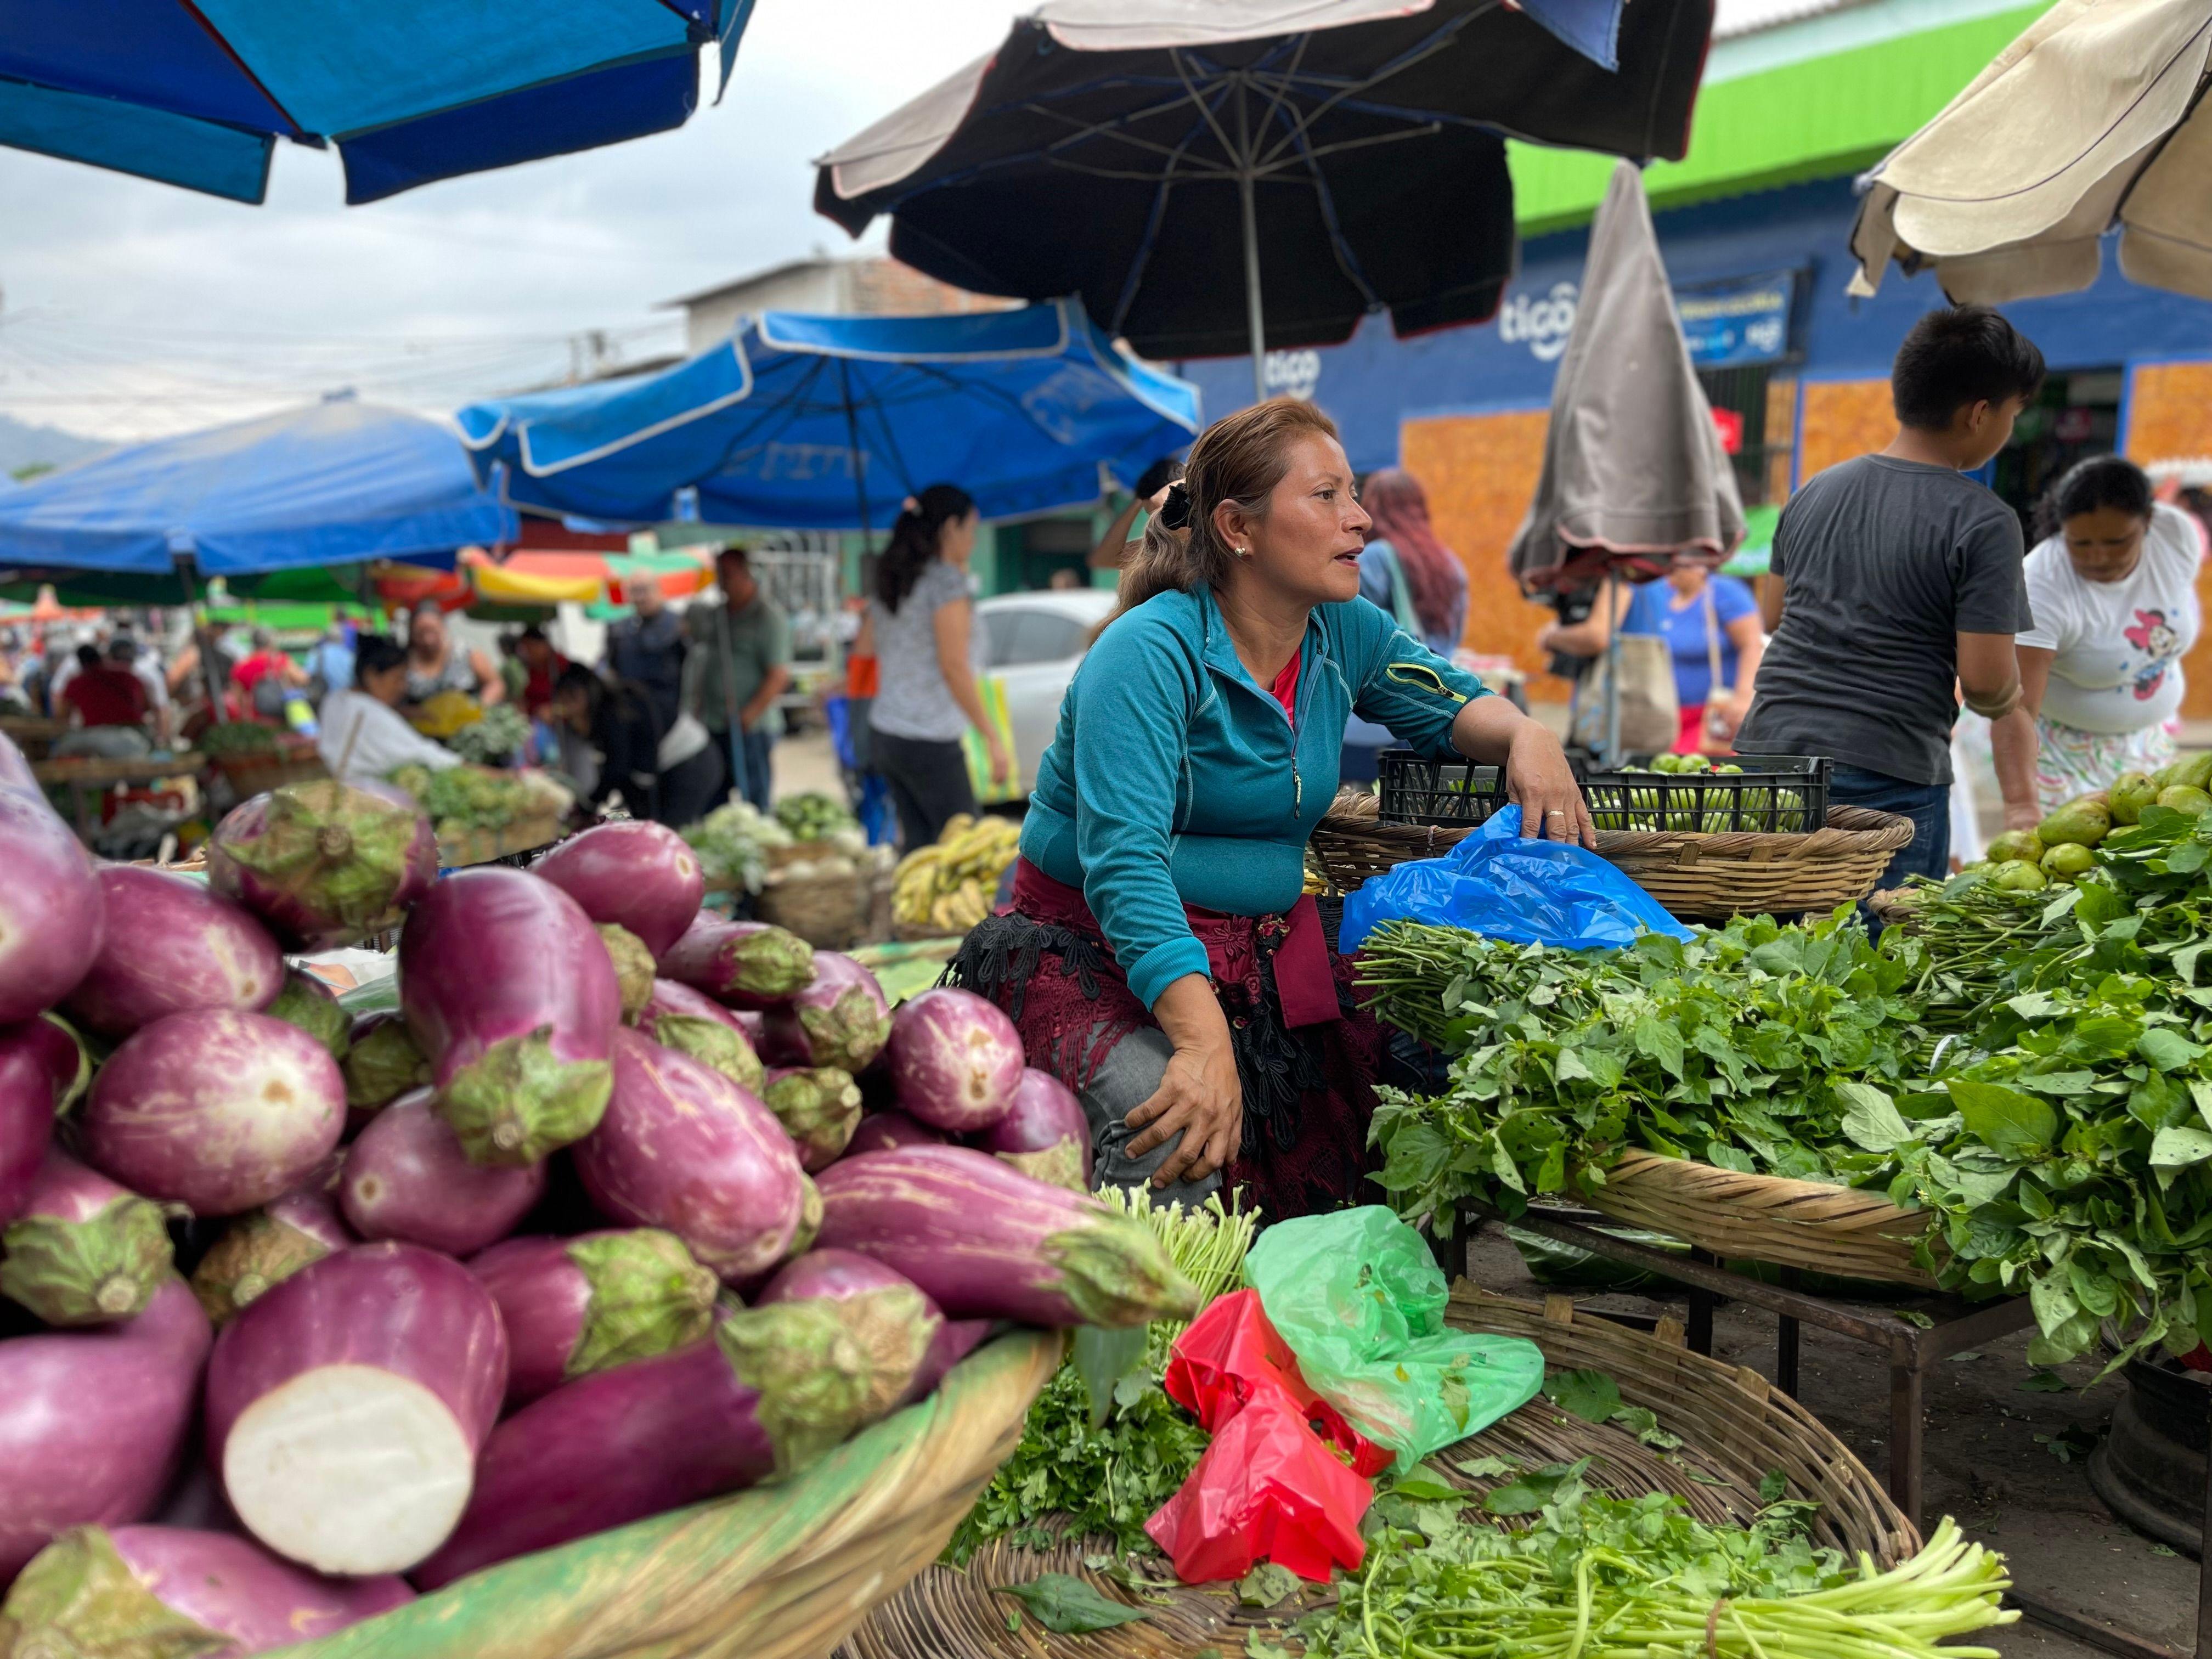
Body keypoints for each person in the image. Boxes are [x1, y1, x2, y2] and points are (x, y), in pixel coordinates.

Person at [943, 399, 1591, 1222]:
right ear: (1236, 529)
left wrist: (1526, 735)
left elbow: (1449, 700)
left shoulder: (1343, 631)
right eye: (1325, 497)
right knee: (1172, 1120)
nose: (1358, 519)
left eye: (1353, 494)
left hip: (1257, 950)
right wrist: (1202, 1041)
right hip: (1098, 950)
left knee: (1418, 1057)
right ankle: (1159, 1336)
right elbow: (1125, 864)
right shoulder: (1148, 653)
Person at [1736, 304, 2045, 889]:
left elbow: (1773, 614)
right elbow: (1984, 683)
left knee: (1769, 943)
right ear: (1980, 414)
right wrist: (2011, 706)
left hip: (1769, 754)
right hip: (1887, 770)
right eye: (2013, 412)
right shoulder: (1984, 520)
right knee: (1878, 959)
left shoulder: (1813, 491)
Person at [1991, 456, 2206, 821]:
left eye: (2116, 541)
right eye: (2081, 543)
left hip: (2149, 742)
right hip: (2062, 753)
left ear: (2148, 522)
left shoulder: (2176, 536)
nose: (2098, 556)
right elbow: (2017, 708)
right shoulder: (2042, 584)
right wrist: (2021, 804)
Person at [857, 485, 1010, 849]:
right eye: (970, 529)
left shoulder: (895, 579)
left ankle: (908, 908)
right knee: (965, 850)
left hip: (888, 732)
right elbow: (954, 667)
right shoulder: (945, 583)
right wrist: (991, 736)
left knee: (921, 849)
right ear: (949, 528)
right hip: (928, 738)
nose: (973, 540)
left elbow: (864, 649)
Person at [1343, 468, 1470, 781]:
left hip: (1375, 718)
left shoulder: (1375, 558)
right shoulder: (1450, 564)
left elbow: (1356, 634)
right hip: (1438, 712)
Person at [684, 545, 791, 814]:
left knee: (754, 798)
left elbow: (778, 675)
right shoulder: (719, 614)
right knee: (713, 794)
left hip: (750, 727)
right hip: (715, 721)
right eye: (718, 574)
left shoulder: (768, 617)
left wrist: (748, 714)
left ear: (746, 574)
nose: (722, 582)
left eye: (728, 574)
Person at [547, 663, 723, 826]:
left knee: (666, 832)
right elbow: (624, 777)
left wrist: (590, 805)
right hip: (682, 763)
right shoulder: (610, 709)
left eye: (570, 699)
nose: (566, 708)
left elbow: (618, 770)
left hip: (692, 761)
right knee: (652, 826)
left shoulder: (612, 711)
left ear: (586, 694)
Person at [1623, 565, 1765, 754]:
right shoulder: (1658, 594)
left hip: (1711, 715)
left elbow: (1752, 644)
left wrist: (1743, 698)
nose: (1675, 571)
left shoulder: (1724, 591)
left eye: (1683, 564)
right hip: (1667, 715)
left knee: (1699, 771)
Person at [317, 635, 466, 789]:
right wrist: (482, 771)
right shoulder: (374, 715)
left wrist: (405, 712)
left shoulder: (335, 699)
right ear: (371, 676)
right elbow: (428, 757)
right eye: (398, 679)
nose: (403, 687)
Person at [605, 571, 686, 732]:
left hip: (670, 713)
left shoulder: (678, 626)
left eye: (644, 590)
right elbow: (611, 668)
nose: (640, 598)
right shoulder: (620, 630)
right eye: (635, 591)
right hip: (633, 715)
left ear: (658, 590)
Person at [54, 642, 153, 758]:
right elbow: (146, 706)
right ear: (101, 659)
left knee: (59, 753)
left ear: (81, 664)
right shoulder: (127, 676)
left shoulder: (77, 682)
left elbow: (62, 716)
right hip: (135, 735)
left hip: (101, 735)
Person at [1089, 457, 1185, 571]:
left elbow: (1159, 500)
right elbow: (1103, 559)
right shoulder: (1161, 547)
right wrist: (1139, 499)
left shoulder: (1199, 534)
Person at [404, 601, 502, 708]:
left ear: (443, 628)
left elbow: (495, 683)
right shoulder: (403, 661)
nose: (428, 640)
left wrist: (482, 705)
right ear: (412, 633)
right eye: (421, 633)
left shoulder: (465, 652)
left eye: (433, 632)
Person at [231, 628, 306, 719]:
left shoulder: (241, 666)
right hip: (282, 715)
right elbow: (302, 679)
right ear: (271, 642)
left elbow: (238, 701)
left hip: (257, 719)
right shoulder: (280, 660)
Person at [514, 627, 569, 720]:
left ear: (544, 646)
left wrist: (555, 711)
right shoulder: (532, 670)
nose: (527, 653)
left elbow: (575, 707)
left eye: (530, 647)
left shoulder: (561, 666)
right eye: (524, 649)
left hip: (563, 728)